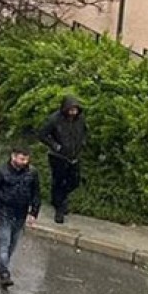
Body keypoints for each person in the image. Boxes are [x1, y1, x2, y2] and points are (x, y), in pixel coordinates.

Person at [0, 147, 41, 287]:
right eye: (22, 159)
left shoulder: (32, 173)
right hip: (4, 211)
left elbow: (36, 193)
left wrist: (34, 212)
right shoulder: (1, 170)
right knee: (4, 242)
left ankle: (3, 266)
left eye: (26, 159)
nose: (24, 162)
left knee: (13, 243)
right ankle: (4, 272)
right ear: (13, 157)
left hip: (21, 212)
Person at [37, 95, 88, 223]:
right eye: (71, 110)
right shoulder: (55, 119)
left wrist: (82, 143)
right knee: (59, 181)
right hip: (58, 156)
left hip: (74, 155)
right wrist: (55, 146)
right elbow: (42, 134)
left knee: (74, 181)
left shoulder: (80, 119)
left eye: (75, 110)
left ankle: (60, 199)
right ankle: (59, 208)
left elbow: (85, 131)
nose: (73, 112)